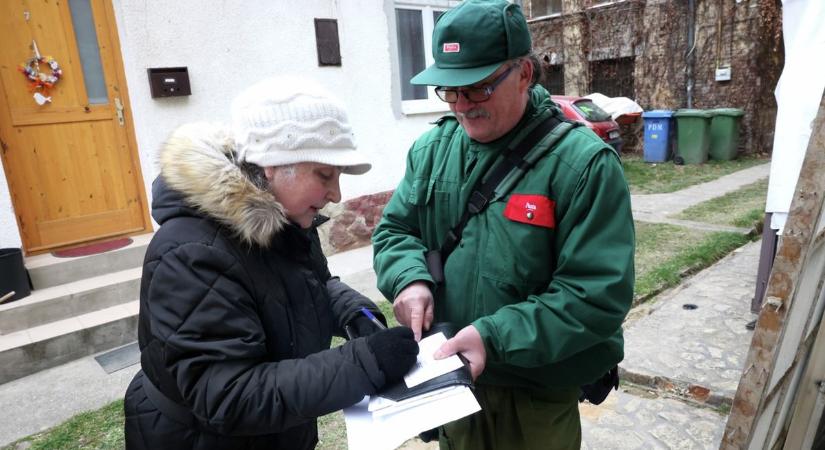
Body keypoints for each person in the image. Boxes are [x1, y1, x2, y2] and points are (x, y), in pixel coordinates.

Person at [372, 1, 635, 449]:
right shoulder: (432, 150)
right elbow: (396, 231)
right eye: (449, 91)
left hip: (535, 393)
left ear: (524, 74)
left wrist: (492, 337)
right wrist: (408, 279)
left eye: (477, 89)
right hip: (453, 386)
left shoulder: (582, 164)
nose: (462, 107)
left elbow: (596, 294)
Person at [124, 77, 418, 450]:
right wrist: (362, 364)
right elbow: (227, 394)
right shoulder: (190, 252)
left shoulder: (286, 218)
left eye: (339, 177)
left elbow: (305, 283)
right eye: (325, 175)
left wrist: (351, 310)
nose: (336, 194)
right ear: (270, 167)